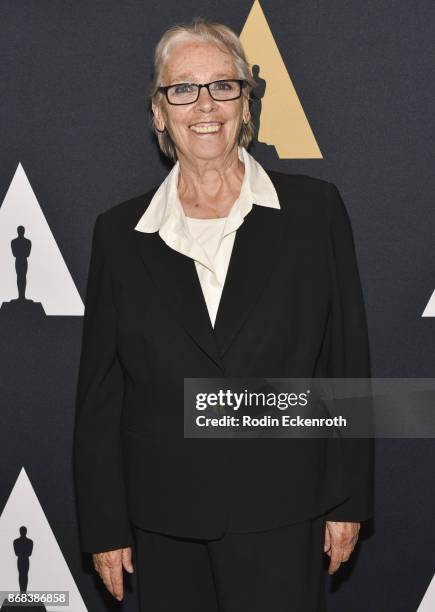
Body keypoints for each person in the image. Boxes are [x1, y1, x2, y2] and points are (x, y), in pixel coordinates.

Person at [73, 16, 374, 612]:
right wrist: (105, 525)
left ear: (246, 102)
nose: (204, 104)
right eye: (182, 88)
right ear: (159, 112)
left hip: (285, 510)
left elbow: (346, 359)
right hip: (162, 516)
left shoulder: (315, 212)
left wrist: (349, 500)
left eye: (223, 85)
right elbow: (101, 394)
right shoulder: (119, 233)